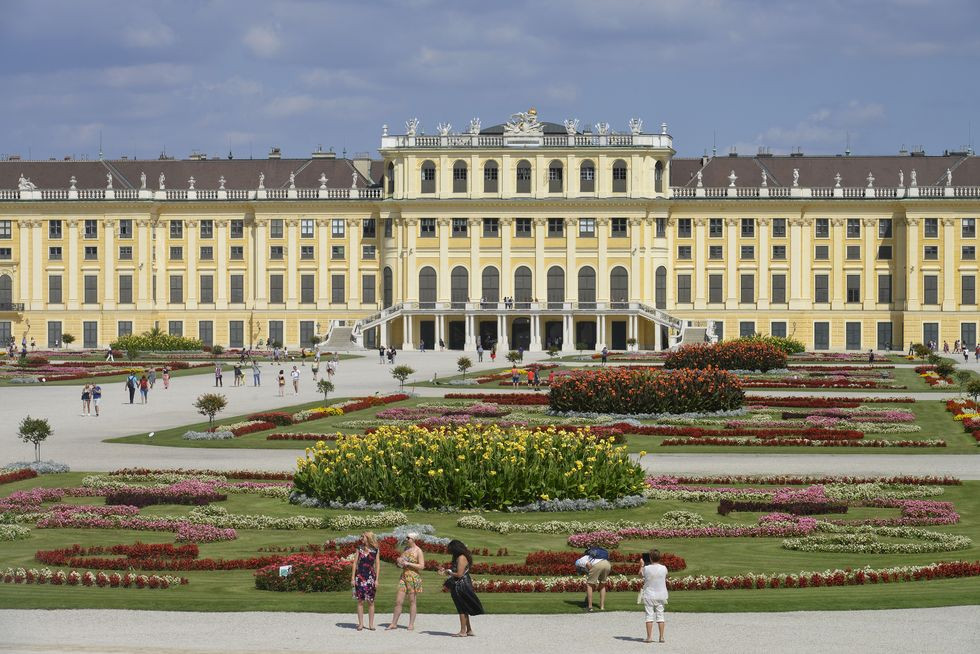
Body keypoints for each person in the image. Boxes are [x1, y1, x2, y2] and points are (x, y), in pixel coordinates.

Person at [441, 539, 483, 637]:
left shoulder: (461, 558)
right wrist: (447, 571)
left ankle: (463, 631)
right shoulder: (459, 557)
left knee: (461, 608)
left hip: (461, 585)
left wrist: (449, 572)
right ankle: (468, 630)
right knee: (464, 607)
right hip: (461, 584)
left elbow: (459, 574)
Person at [387, 532, 424, 631]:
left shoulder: (418, 551)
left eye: (408, 538)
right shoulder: (406, 549)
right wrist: (399, 560)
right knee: (398, 601)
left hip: (413, 577)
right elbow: (401, 562)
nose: (406, 539)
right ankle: (394, 623)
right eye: (407, 537)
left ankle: (411, 624)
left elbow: (422, 566)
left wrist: (409, 563)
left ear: (413, 539)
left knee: (412, 601)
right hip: (403, 576)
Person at [351, 531, 380, 631]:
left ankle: (371, 624)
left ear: (368, 538)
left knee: (371, 601)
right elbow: (355, 563)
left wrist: (377, 580)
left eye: (363, 537)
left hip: (371, 577)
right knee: (360, 601)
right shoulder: (359, 549)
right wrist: (352, 578)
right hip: (360, 576)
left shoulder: (375, 550)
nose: (361, 539)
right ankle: (361, 624)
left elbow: (377, 565)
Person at [640, 549, 669, 643]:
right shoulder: (664, 568)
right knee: (660, 616)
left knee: (649, 616)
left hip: (649, 594)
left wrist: (641, 565)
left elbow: (640, 575)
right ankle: (661, 637)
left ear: (650, 558)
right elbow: (666, 575)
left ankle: (649, 637)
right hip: (661, 594)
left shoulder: (646, 568)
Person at [581, 546, 611, 611]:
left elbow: (588, 565)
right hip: (607, 564)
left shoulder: (583, 558)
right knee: (602, 585)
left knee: (589, 584)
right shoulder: (599, 554)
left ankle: (590, 607)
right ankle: (602, 607)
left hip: (598, 564)